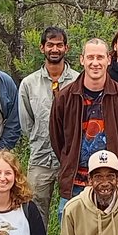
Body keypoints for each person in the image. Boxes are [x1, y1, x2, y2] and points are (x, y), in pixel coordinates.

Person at [50, 38, 118, 218]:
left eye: (100, 57)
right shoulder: (65, 98)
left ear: (109, 59)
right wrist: (69, 159)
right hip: (75, 185)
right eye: (90, 57)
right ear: (82, 60)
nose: (95, 63)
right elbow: (57, 139)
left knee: (113, 234)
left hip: (112, 184)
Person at [19, 27, 80, 223]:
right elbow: (26, 123)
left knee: (72, 212)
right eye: (50, 45)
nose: (55, 49)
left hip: (71, 159)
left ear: (66, 48)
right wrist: (39, 139)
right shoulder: (29, 84)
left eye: (59, 45)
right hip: (40, 158)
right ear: (42, 48)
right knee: (35, 212)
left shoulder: (79, 81)